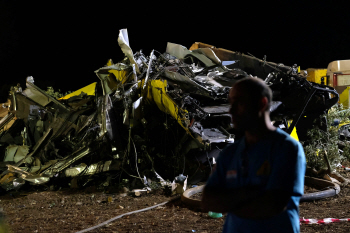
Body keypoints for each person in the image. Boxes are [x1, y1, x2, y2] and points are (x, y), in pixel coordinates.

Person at [202, 77, 306, 233]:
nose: (231, 110)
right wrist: (253, 194)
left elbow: (273, 204)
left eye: (239, 103)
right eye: (231, 103)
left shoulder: (286, 148)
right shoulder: (231, 153)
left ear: (262, 104)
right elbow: (208, 201)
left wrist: (229, 199)